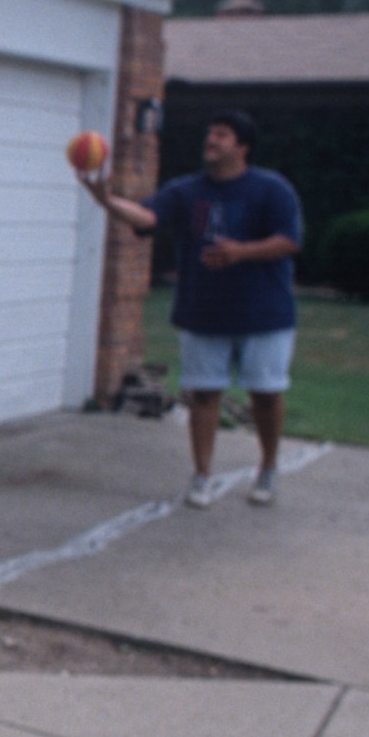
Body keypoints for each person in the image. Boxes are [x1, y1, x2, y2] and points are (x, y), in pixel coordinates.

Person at [82, 109, 303, 507]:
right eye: (209, 133)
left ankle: (268, 468)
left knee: (266, 395)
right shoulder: (186, 190)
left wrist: (241, 252)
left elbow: (289, 240)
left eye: (221, 134)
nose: (211, 140)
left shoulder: (271, 189)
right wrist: (106, 200)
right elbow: (148, 217)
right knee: (203, 395)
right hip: (203, 312)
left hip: (264, 315)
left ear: (243, 147)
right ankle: (202, 475)